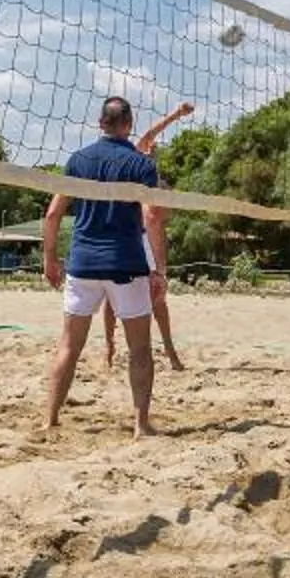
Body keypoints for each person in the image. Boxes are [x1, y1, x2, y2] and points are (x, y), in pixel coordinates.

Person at [40, 95, 168, 437]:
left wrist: (49, 258)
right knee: (139, 347)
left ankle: (50, 417)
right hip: (126, 264)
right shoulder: (141, 164)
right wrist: (160, 269)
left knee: (69, 345)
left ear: (101, 123)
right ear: (129, 124)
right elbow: (153, 217)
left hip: (82, 265)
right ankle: (141, 424)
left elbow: (52, 214)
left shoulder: (78, 160)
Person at [102, 100, 195, 373]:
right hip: (126, 235)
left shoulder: (154, 179)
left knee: (159, 300)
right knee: (111, 296)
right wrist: (176, 114)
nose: (152, 147)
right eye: (149, 147)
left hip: (146, 238)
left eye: (154, 150)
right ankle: (109, 348)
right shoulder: (132, 160)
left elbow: (159, 218)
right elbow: (149, 135)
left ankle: (169, 351)